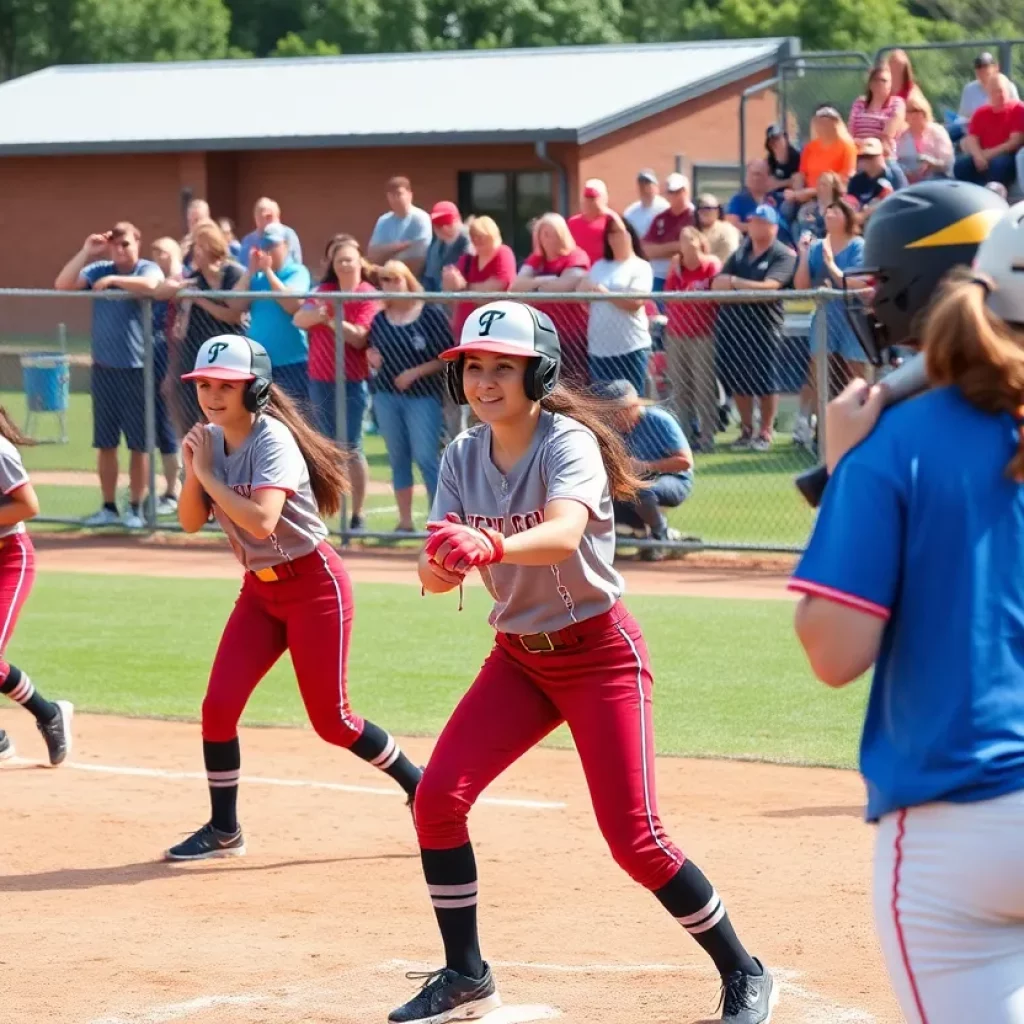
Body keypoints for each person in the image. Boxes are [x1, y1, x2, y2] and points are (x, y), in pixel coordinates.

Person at [388, 299, 774, 1024]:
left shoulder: (568, 442)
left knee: (637, 840)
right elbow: (433, 565)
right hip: (519, 660)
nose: (485, 381)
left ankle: (745, 970)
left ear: (539, 374)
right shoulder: (460, 456)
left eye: (504, 366)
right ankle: (467, 975)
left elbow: (565, 532)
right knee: (438, 800)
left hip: (599, 654)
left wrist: (491, 546)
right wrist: (437, 568)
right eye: (474, 366)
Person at [789, 180, 1016, 1024]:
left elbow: (834, 651)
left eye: (879, 281)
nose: (870, 298)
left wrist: (850, 469)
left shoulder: (897, 438)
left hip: (961, 815)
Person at [164, 334, 421, 860]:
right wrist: (196, 468)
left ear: (254, 390)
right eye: (205, 385)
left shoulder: (271, 439)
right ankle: (224, 829)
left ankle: (420, 786)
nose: (212, 395)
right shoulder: (209, 439)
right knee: (217, 709)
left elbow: (261, 521)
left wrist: (208, 472)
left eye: (226, 386)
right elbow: (190, 522)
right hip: (259, 592)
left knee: (333, 721)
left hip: (313, 587)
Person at [55, 222, 164, 529]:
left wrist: (115, 279)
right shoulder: (98, 268)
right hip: (104, 369)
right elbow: (62, 285)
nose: (120, 249)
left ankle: (136, 509)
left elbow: (154, 287)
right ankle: (108, 508)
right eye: (115, 244)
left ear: (138, 243)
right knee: (105, 443)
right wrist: (87, 251)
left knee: (139, 445)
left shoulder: (146, 268)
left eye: (126, 243)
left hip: (137, 370)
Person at [0, 408, 73, 767]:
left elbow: (28, 505)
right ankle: (47, 715)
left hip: (9, 558)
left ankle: (48, 715)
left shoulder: (0, 451)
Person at [293, 236, 378, 530]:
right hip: (320, 377)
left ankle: (357, 514)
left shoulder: (366, 292)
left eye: (349, 259)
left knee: (352, 447)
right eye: (339, 260)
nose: (344, 264)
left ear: (359, 262)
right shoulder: (325, 290)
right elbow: (300, 320)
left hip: (352, 381)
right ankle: (329, 510)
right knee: (324, 446)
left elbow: (359, 336)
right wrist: (317, 314)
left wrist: (329, 319)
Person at [368, 261, 452, 531]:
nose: (391, 286)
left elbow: (445, 357)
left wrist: (415, 372)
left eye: (396, 279)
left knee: (426, 457)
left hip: (423, 397)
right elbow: (373, 349)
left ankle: (439, 521)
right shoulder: (381, 319)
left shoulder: (430, 315)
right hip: (386, 395)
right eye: (385, 281)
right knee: (398, 459)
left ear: (407, 280)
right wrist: (373, 357)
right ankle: (405, 522)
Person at [711, 205, 796, 451]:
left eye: (762, 222)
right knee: (740, 381)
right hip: (734, 326)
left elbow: (770, 289)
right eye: (754, 221)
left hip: (764, 328)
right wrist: (747, 289)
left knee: (766, 382)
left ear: (774, 227)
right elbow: (718, 284)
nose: (756, 226)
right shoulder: (740, 252)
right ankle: (747, 430)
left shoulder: (783, 254)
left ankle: (765, 432)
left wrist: (737, 284)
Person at [162, 219, 247, 436]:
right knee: (193, 421)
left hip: (229, 357)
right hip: (195, 356)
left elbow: (233, 315)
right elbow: (162, 294)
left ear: (210, 246)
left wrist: (201, 299)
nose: (195, 253)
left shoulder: (233, 274)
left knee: (230, 419)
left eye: (199, 246)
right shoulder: (194, 279)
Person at [792, 199, 866, 448]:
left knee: (855, 372)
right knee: (819, 370)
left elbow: (857, 283)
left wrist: (832, 266)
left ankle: (860, 427)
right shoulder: (817, 248)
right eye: (828, 210)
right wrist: (803, 255)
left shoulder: (858, 246)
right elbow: (802, 286)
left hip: (853, 316)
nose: (830, 214)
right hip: (826, 314)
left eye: (837, 210)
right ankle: (812, 430)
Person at [594, 379, 695, 559]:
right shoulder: (611, 429)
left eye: (620, 411)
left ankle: (660, 537)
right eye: (611, 412)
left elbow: (685, 462)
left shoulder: (659, 420)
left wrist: (645, 466)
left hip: (673, 479)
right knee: (598, 491)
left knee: (640, 489)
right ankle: (635, 535)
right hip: (632, 481)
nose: (615, 417)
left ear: (634, 406)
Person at [232, 223, 312, 409]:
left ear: (285, 246)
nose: (267, 252)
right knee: (261, 415)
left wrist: (268, 272)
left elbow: (292, 305)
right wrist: (250, 271)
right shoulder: (256, 278)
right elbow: (235, 304)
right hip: (259, 363)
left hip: (292, 362)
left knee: (295, 417)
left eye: (272, 246)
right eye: (264, 247)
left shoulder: (297, 271)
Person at [510, 213, 591, 386]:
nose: (545, 238)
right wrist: (543, 281)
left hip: (572, 335)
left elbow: (566, 286)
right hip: (542, 334)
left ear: (562, 234)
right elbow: (516, 286)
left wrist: (532, 287)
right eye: (542, 233)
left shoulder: (576, 256)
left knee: (573, 384)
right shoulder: (536, 260)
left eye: (550, 233)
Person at [578, 214, 654, 393]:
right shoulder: (599, 266)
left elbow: (636, 302)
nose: (615, 238)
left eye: (620, 232)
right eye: (611, 234)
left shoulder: (640, 266)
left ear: (630, 235)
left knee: (633, 406)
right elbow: (584, 295)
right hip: (599, 349)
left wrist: (604, 293)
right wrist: (585, 289)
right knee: (603, 407)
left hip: (631, 348)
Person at [662, 227, 722, 450]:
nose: (686, 244)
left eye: (690, 239)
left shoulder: (710, 265)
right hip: (676, 334)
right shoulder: (676, 267)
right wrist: (675, 274)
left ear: (700, 241)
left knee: (703, 386)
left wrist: (686, 296)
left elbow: (710, 299)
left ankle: (707, 437)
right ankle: (684, 437)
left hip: (703, 334)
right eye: (682, 239)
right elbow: (669, 298)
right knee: (680, 387)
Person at [147, 237, 185, 514]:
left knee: (177, 429)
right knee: (160, 429)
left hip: (177, 363)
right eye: (155, 252)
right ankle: (168, 491)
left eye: (164, 252)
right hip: (152, 362)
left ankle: (177, 491)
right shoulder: (152, 283)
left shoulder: (181, 281)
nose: (158, 256)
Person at [445, 216, 517, 337]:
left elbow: (498, 286)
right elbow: (452, 292)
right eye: (473, 236)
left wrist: (465, 287)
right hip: (465, 329)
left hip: (496, 328)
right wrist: (449, 281)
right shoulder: (467, 259)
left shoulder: (503, 253)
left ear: (491, 234)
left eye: (480, 235)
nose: (476, 239)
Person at [783, 106, 858, 223]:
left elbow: (844, 181)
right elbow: (801, 174)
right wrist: (797, 193)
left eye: (827, 121)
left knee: (804, 217)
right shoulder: (810, 147)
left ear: (836, 123)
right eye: (820, 122)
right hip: (806, 195)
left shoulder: (847, 147)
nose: (823, 126)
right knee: (785, 209)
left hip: (832, 196)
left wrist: (808, 193)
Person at [954, 74, 1024, 189]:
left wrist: (988, 154)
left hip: (1006, 154)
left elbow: (1014, 142)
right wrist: (978, 156)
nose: (999, 95)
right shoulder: (981, 113)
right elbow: (972, 138)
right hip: (983, 154)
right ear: (988, 92)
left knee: (999, 165)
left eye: (1001, 91)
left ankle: (992, 193)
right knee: (961, 166)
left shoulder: (1018, 109)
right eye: (995, 91)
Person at [848, 63, 910, 190]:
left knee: (892, 173)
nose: (879, 83)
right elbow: (850, 130)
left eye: (884, 80)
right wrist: (857, 145)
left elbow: (887, 134)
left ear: (890, 84)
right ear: (870, 83)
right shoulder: (860, 103)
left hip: (882, 153)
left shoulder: (897, 104)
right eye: (875, 80)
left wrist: (866, 145)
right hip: (857, 152)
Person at [367, 176, 433, 278]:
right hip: (386, 281)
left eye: (399, 194)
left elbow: (420, 257)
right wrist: (399, 247)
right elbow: (372, 255)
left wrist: (386, 257)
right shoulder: (383, 221)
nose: (395, 198)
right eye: (391, 195)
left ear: (410, 195)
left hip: (416, 279)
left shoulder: (421, 218)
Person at [643, 173, 695, 290]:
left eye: (680, 191)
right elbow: (647, 250)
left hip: (686, 278)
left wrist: (660, 249)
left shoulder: (695, 216)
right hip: (659, 276)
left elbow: (693, 248)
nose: (676, 195)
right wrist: (677, 247)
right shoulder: (660, 218)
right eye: (672, 192)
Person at [896, 90, 954, 183]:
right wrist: (906, 173)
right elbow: (896, 161)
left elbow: (947, 164)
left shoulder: (937, 131)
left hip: (936, 179)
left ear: (924, 112)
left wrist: (931, 163)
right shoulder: (901, 135)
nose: (913, 114)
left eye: (916, 110)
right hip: (908, 181)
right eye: (909, 111)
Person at [239, 197, 302, 267]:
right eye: (265, 216)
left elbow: (297, 264)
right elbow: (243, 269)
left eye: (269, 216)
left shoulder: (288, 235)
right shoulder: (248, 240)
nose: (268, 219)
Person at [421, 201, 470, 293]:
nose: (443, 228)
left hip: (462, 298)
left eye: (447, 223)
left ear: (458, 220)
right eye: (438, 225)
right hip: (436, 299)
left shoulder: (470, 241)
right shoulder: (435, 244)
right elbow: (429, 278)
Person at [847, 139, 895, 222]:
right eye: (863, 157)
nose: (866, 160)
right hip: (859, 222)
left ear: (881, 156)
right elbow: (850, 201)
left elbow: (898, 199)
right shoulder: (856, 180)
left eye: (871, 156)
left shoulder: (894, 175)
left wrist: (864, 215)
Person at [567, 178, 611, 265]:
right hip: (579, 270)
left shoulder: (612, 221)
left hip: (605, 270)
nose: (589, 202)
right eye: (586, 197)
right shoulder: (572, 223)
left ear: (604, 198)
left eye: (593, 198)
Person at [725, 161, 776, 235]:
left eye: (758, 174)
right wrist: (758, 228)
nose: (755, 178)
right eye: (751, 174)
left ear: (768, 177)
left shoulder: (775, 198)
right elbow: (731, 225)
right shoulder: (738, 200)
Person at [623, 169, 670, 240]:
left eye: (647, 183)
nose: (644, 187)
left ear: (656, 186)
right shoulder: (630, 212)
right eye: (641, 184)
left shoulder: (665, 208)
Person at [695, 195, 741, 263]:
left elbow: (730, 256)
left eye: (709, 208)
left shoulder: (728, 230)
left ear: (717, 211)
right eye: (700, 208)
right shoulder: (693, 231)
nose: (704, 211)